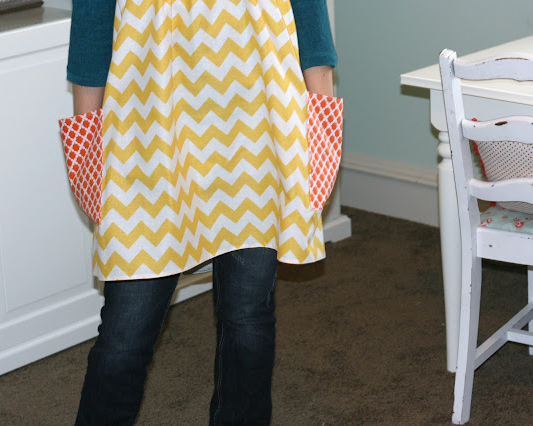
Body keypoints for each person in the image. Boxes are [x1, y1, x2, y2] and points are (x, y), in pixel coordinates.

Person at [65, 0, 338, 424]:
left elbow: (310, 18)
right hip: (147, 128)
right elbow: (92, 24)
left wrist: (320, 122)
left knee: (248, 320)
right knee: (125, 333)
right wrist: (87, 140)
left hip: (260, 123)